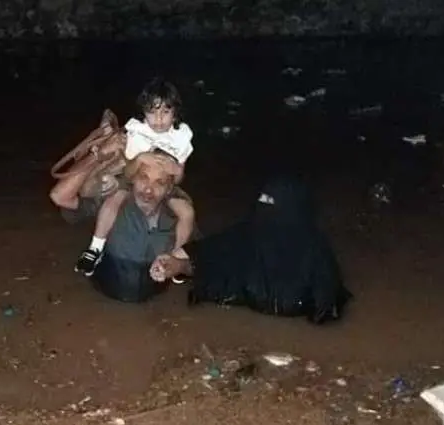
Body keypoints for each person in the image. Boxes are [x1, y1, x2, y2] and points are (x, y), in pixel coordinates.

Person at [149, 176, 352, 325]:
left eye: (272, 204)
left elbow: (327, 302)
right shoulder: (248, 234)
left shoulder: (315, 250)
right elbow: (208, 255)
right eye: (262, 201)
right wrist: (176, 265)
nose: (264, 210)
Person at [74, 77, 195, 278]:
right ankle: (95, 247)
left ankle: (176, 257)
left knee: (187, 211)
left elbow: (180, 177)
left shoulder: (181, 136)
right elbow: (128, 171)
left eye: (165, 112)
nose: (158, 119)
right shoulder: (138, 132)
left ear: (175, 114)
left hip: (165, 186)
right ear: (143, 113)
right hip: (132, 180)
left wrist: (175, 168)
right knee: (113, 200)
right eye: (152, 112)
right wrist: (140, 159)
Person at [49, 150, 193, 303]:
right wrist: (97, 154)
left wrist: (177, 266)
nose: (149, 189)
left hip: (155, 301)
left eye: (160, 182)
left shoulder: (179, 215)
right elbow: (60, 196)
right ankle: (94, 251)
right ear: (133, 179)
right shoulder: (112, 204)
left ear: (169, 189)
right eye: (144, 177)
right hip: (99, 300)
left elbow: (197, 261)